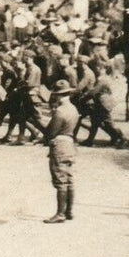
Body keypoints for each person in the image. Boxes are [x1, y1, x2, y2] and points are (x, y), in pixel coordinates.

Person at [42, 80, 78, 224]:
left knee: (60, 180)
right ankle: (69, 211)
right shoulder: (73, 109)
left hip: (59, 145)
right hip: (70, 144)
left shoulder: (60, 111)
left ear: (57, 95)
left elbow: (51, 132)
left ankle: (60, 214)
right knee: (69, 179)